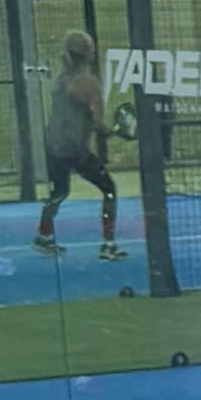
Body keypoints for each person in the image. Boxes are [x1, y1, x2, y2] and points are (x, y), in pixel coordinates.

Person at [32, 32, 121, 259]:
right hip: (75, 150)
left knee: (60, 191)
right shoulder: (90, 83)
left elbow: (73, 112)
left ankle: (44, 236)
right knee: (109, 190)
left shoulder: (60, 80)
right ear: (90, 54)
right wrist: (114, 131)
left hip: (53, 146)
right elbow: (98, 123)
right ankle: (109, 244)